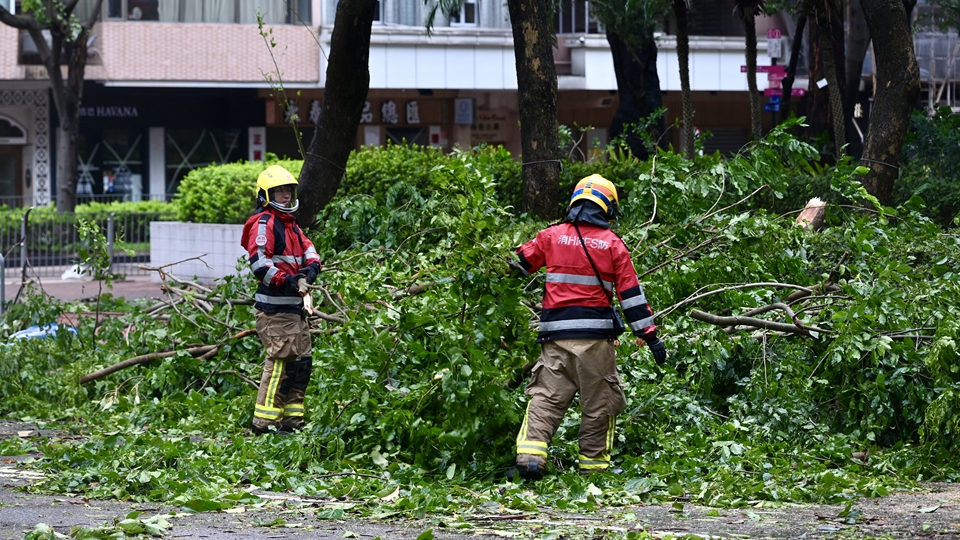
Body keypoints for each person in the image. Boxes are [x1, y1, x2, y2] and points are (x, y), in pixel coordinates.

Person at [508, 174, 667, 479]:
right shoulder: (613, 245)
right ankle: (593, 470)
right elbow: (631, 297)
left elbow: (517, 264)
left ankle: (530, 456)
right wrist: (650, 337)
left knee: (546, 397)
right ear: (608, 209)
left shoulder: (550, 236)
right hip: (595, 343)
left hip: (555, 338)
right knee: (599, 404)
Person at [240, 165, 321, 435]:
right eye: (279, 191)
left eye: (288, 190)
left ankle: (291, 422)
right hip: (275, 311)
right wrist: (287, 280)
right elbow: (260, 265)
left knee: (301, 364)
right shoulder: (265, 223)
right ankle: (264, 425)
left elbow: (310, 251)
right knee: (280, 364)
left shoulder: (291, 224)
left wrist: (310, 270)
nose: (286, 196)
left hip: (296, 310)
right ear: (266, 194)